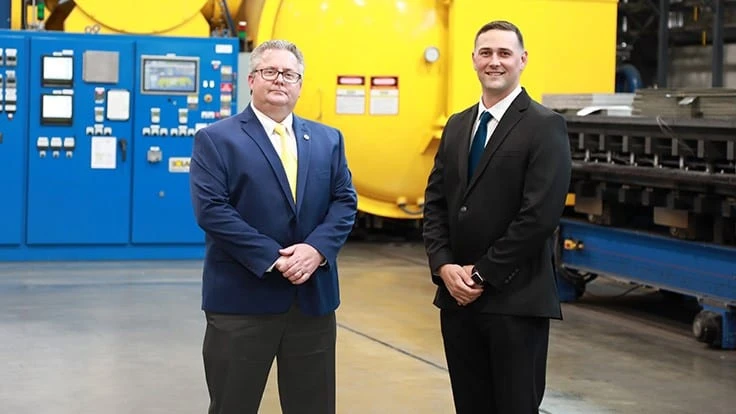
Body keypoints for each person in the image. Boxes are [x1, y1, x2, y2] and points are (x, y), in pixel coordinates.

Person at [189, 39, 357, 414]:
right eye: (270, 71)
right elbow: (212, 211)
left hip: (311, 301)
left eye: (290, 74)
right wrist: (275, 258)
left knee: (312, 405)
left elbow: (345, 201)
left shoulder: (328, 139)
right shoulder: (216, 139)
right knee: (233, 403)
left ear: (300, 83)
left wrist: (316, 251)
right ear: (251, 79)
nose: (280, 80)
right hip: (242, 300)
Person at [422, 20, 572, 413]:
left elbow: (539, 216)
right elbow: (436, 203)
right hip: (458, 301)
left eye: (504, 53)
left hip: (515, 301)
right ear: (473, 59)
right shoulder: (457, 126)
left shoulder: (545, 126)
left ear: (522, 60)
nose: (494, 62)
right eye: (486, 53)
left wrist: (482, 273)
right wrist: (443, 266)